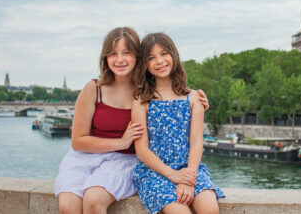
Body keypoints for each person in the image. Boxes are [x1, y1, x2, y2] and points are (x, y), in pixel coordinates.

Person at [54, 28, 209, 214]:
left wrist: (198, 106)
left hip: (125, 160)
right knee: (67, 206)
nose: (119, 59)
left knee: (93, 201)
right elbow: (78, 141)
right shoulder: (94, 89)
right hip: (86, 158)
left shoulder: (146, 92)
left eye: (126, 53)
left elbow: (173, 101)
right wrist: (120, 142)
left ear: (138, 57)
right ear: (105, 58)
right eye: (112, 54)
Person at [132, 33, 224, 214]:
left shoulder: (193, 97)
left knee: (210, 209)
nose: (159, 61)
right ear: (145, 64)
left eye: (164, 53)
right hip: (154, 172)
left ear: (174, 55)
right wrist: (173, 175)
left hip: (188, 168)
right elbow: (141, 149)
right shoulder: (141, 100)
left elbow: (197, 142)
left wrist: (188, 178)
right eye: (151, 57)